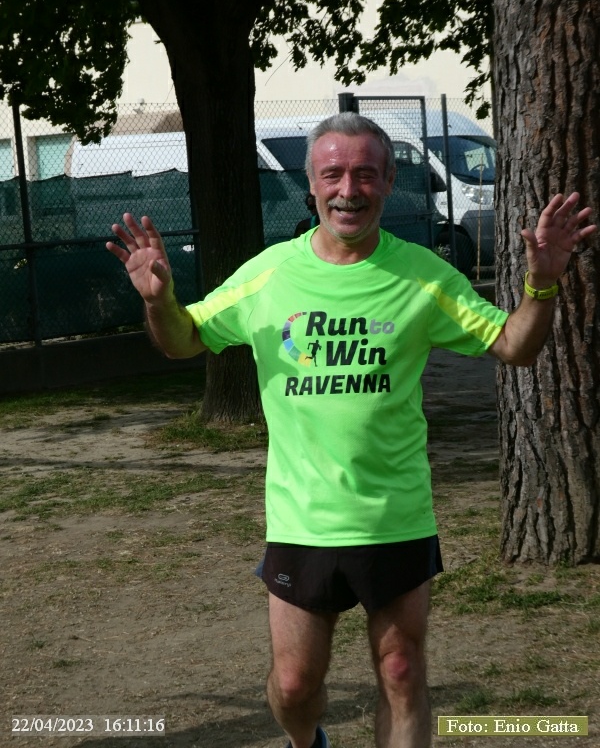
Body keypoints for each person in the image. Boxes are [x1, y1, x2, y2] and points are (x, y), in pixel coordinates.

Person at [106, 112, 596, 748]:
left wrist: (542, 284)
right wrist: (157, 301)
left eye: (365, 174)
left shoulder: (424, 275)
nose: (348, 189)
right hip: (302, 520)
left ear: (389, 182)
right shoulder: (269, 274)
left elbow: (515, 346)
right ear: (311, 184)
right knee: (294, 687)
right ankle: (308, 742)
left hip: (397, 515)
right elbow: (183, 340)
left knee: (401, 670)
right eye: (333, 174)